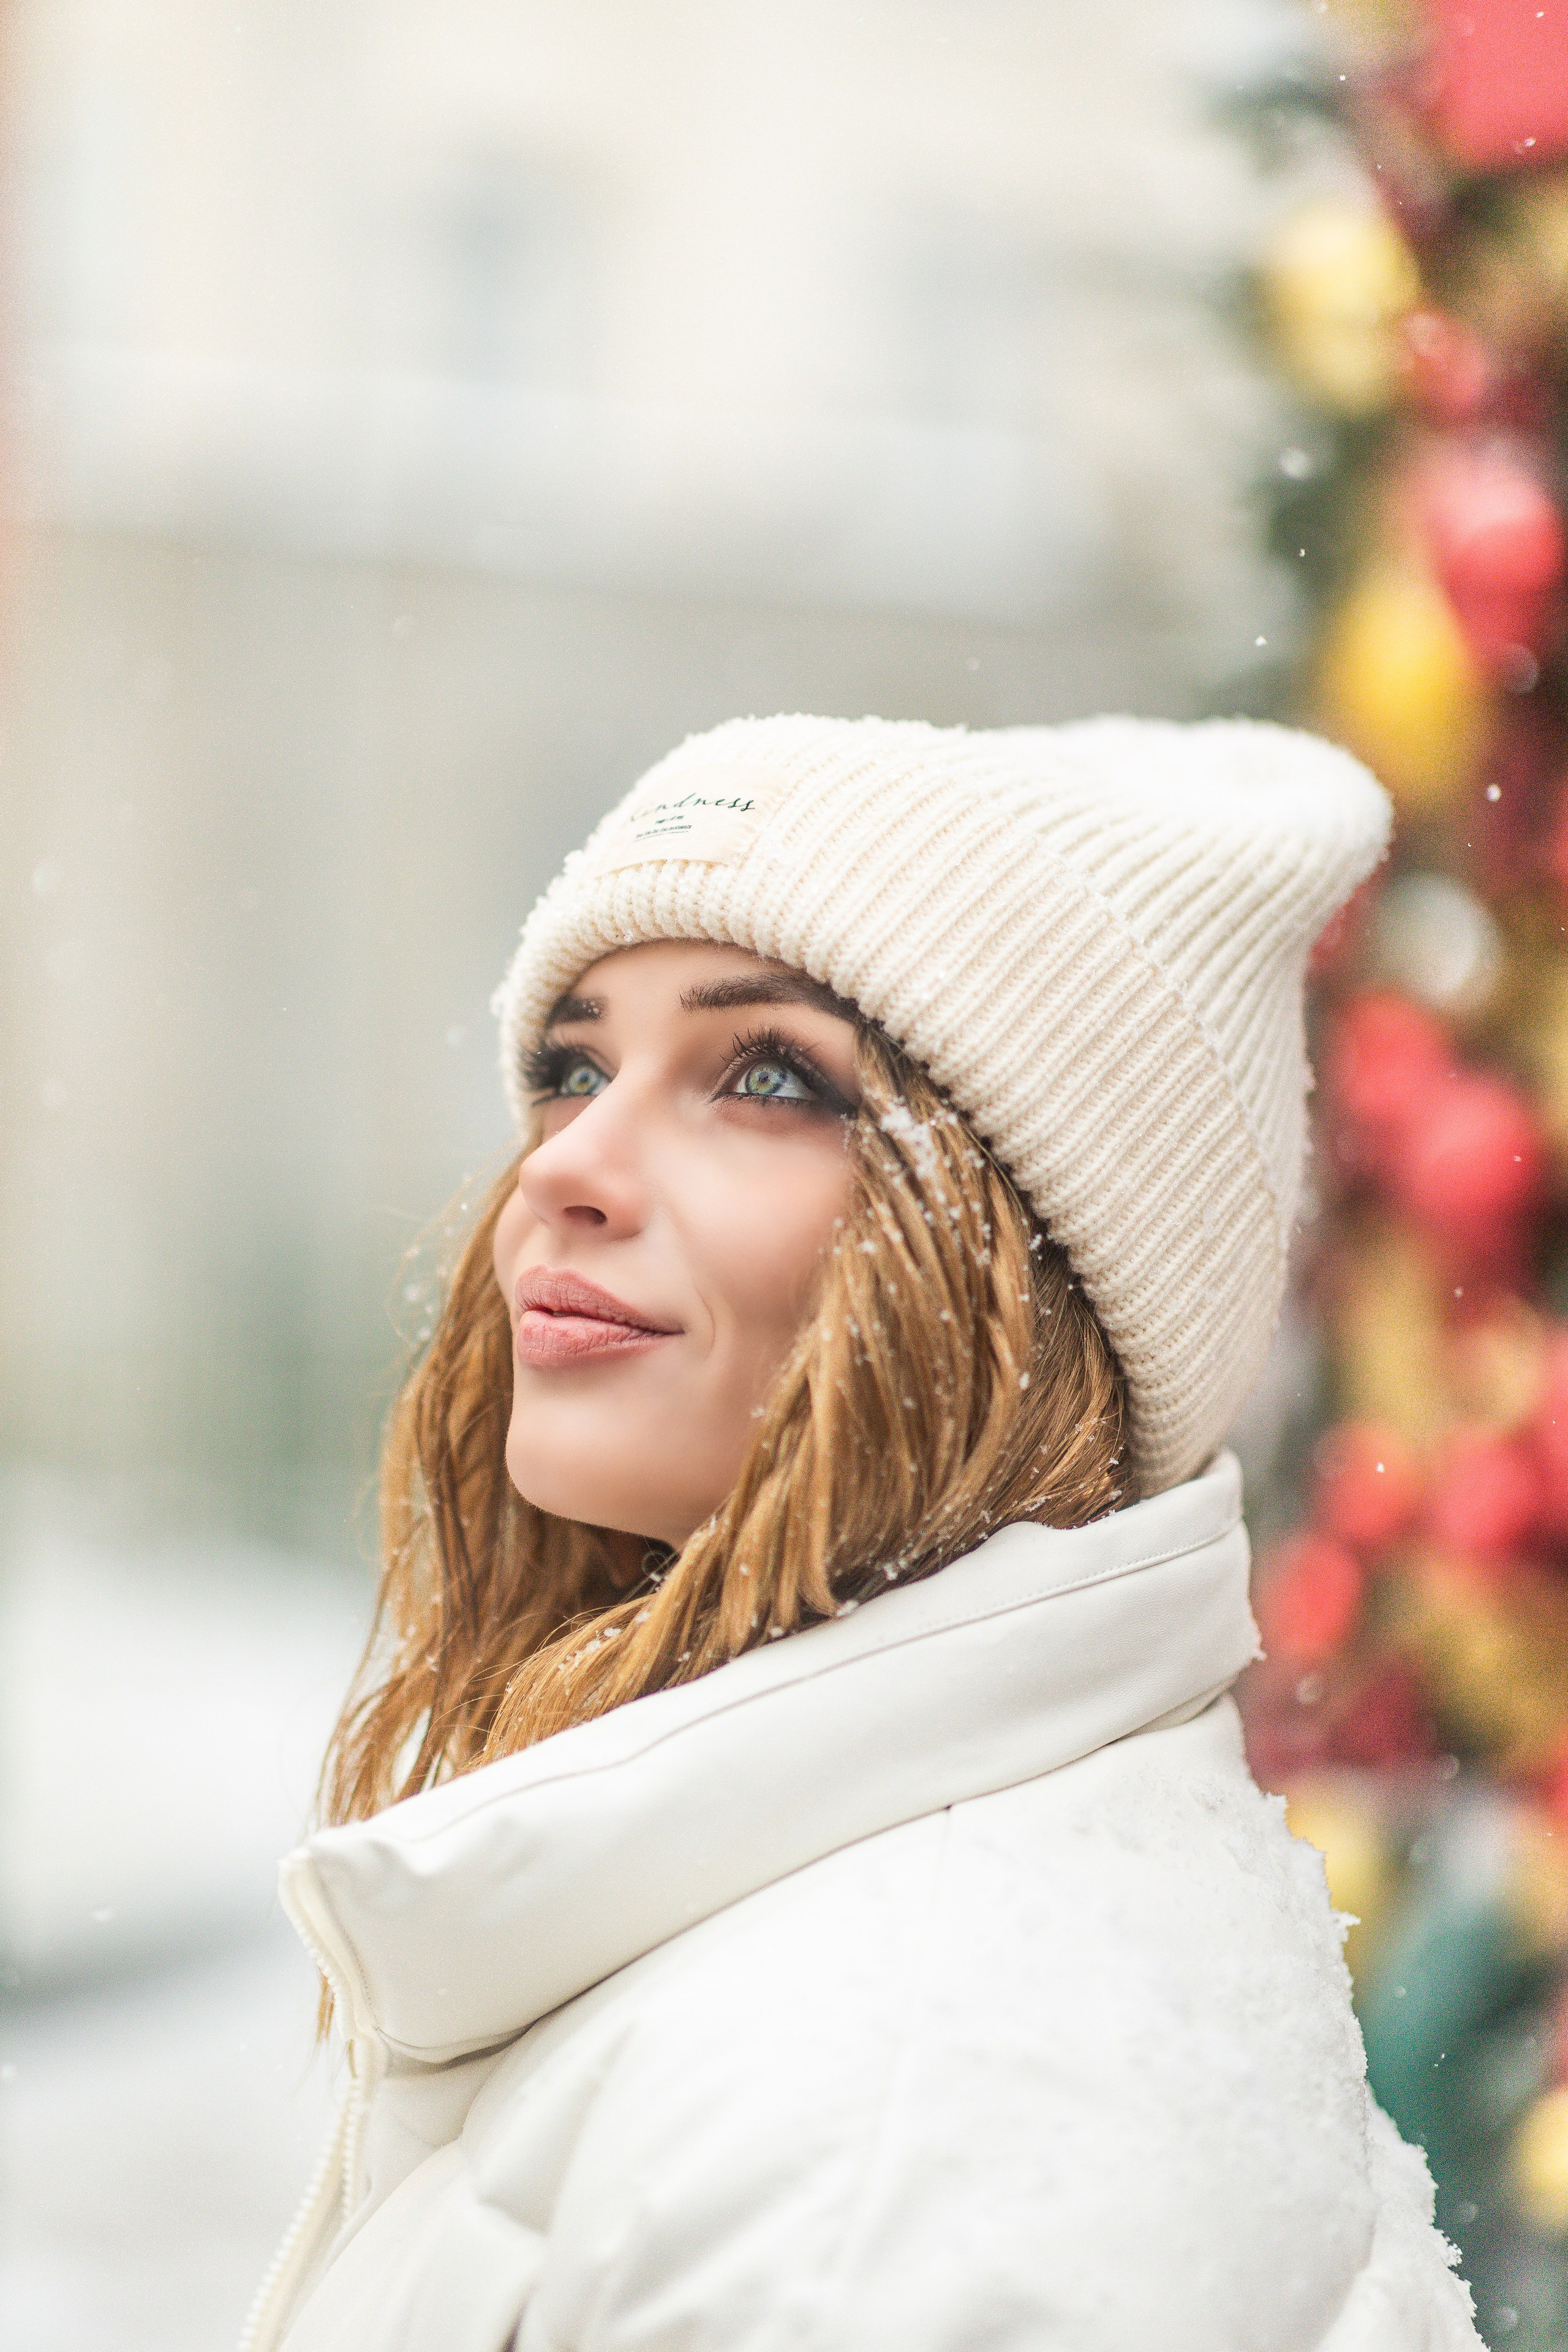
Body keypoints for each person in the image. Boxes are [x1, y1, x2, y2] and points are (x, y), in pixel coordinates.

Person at [241, 714, 1480, 2352]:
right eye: (572, 1066)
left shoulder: (907, 2138)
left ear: (1024, 1269)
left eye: (766, 1077)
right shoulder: (831, 1967)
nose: (570, 1168)